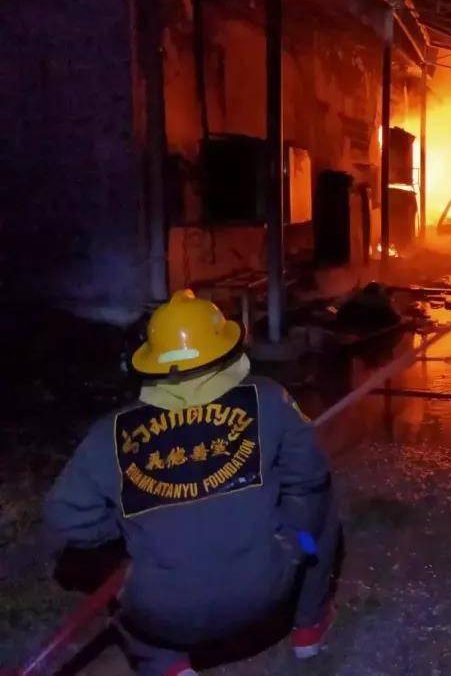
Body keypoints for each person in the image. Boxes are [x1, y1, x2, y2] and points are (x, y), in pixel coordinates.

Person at [45, 290, 339, 676]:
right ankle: (308, 624)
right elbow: (310, 478)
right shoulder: (270, 399)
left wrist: (127, 532)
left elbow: (65, 516)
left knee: (124, 585)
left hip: (159, 611)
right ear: (226, 348)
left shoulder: (110, 434)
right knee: (320, 516)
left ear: (151, 362)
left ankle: (165, 663)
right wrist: (283, 527)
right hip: (268, 587)